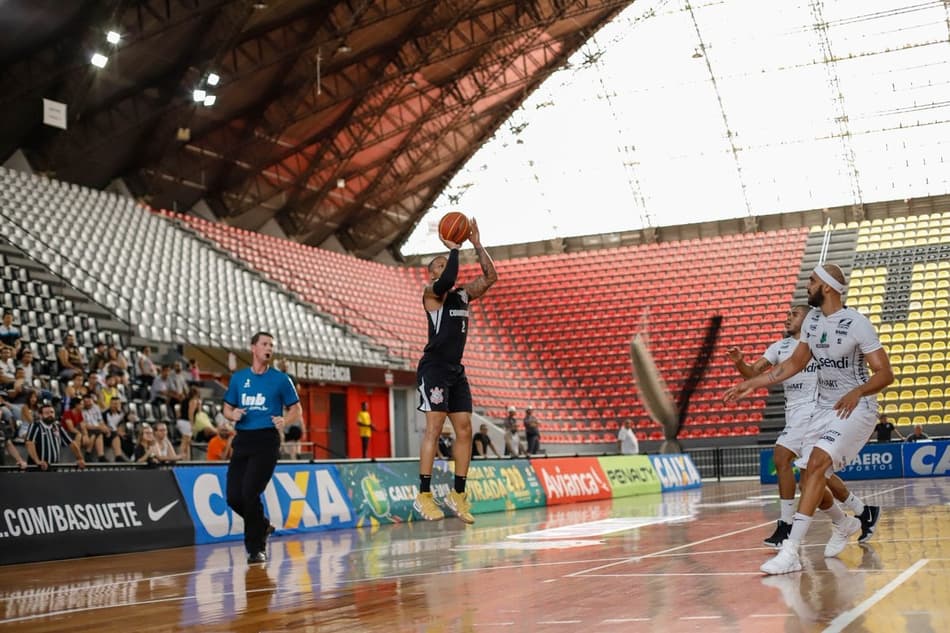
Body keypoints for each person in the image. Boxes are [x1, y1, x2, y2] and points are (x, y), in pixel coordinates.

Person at [725, 263, 894, 575]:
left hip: (855, 407)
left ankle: (790, 551)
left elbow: (885, 374)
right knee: (808, 478)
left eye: (813, 281)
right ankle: (846, 523)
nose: (808, 285)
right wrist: (752, 383)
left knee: (816, 465)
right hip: (822, 408)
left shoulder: (857, 324)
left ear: (827, 287)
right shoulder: (813, 321)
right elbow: (793, 364)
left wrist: (858, 391)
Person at [728, 304, 876, 549]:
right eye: (787, 315)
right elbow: (752, 372)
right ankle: (859, 513)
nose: (788, 318)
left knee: (782, 457)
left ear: (808, 319)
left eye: (794, 315)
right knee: (813, 480)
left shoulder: (819, 344)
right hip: (793, 413)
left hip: (815, 411)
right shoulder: (779, 347)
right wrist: (740, 362)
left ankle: (786, 525)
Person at [414, 217, 497, 524]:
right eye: (437, 264)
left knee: (465, 430)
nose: (443, 266)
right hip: (433, 369)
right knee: (434, 429)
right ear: (431, 273)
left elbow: (491, 277)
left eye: (443, 262)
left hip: (456, 371)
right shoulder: (432, 293)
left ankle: (457, 494)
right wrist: (453, 250)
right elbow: (447, 278)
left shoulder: (462, 295)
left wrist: (476, 243)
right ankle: (423, 494)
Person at [221, 331, 302, 563]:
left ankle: (256, 548)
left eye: (272, 345)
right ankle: (263, 525)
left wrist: (284, 421)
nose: (269, 348)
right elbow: (226, 408)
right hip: (243, 440)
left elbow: (297, 409)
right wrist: (232, 413)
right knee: (234, 497)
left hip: (267, 441)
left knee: (250, 492)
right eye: (265, 344)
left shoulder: (280, 379)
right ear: (253, 348)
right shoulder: (239, 379)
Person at [25, 402, 86, 470]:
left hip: (54, 467)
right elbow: (29, 443)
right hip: (37, 468)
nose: (50, 414)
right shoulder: (35, 425)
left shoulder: (57, 426)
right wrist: (38, 461)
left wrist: (80, 458)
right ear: (40, 415)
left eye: (52, 412)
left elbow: (71, 442)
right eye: (47, 413)